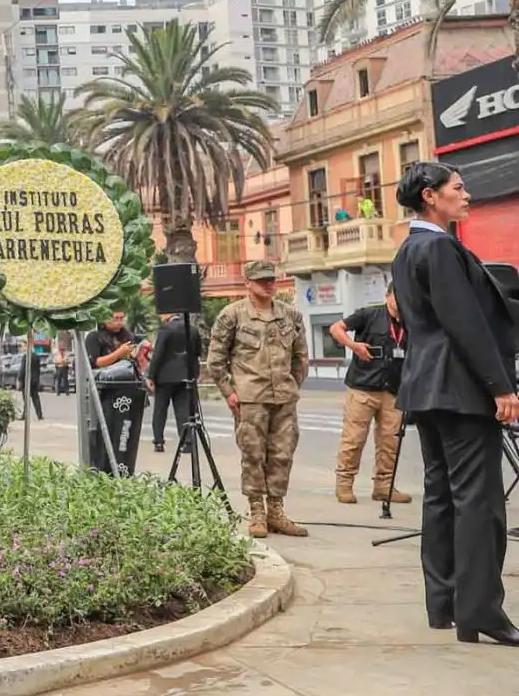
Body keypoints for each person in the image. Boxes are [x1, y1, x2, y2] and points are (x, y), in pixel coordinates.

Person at [389, 162, 519, 645]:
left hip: (425, 387)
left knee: (441, 497)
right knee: (479, 503)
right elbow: (465, 322)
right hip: (460, 388)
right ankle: (481, 611)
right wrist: (501, 386)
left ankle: (443, 604)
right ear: (430, 196)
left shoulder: (408, 249)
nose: (466, 196)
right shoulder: (440, 247)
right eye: (458, 188)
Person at [207, 261, 309, 540]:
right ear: (248, 283)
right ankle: (257, 512)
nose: (269, 284)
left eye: (272, 279)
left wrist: (292, 385)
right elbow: (215, 361)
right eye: (262, 280)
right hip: (250, 398)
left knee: (282, 454)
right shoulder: (232, 316)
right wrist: (230, 391)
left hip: (284, 399)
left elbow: (301, 357)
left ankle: (276, 511)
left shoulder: (291, 316)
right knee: (253, 455)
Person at [328, 291, 410, 506]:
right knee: (353, 439)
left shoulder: (411, 320)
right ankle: (344, 484)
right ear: (389, 295)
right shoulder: (369, 314)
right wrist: (354, 346)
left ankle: (384, 486)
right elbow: (336, 328)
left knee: (390, 442)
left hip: (393, 390)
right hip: (363, 388)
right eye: (398, 297)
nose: (402, 303)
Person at [146, 312, 204, 456]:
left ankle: (159, 441)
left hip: (165, 376)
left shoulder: (165, 330)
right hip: (185, 374)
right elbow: (197, 352)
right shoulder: (192, 329)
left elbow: (158, 354)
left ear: (168, 314)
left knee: (160, 409)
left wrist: (151, 376)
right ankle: (187, 442)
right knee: (183, 409)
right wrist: (196, 372)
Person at [85, 310, 141, 381]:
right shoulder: (94, 337)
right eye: (116, 319)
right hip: (105, 380)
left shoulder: (127, 336)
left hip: (128, 380)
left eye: (121, 318)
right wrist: (119, 353)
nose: (119, 322)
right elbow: (96, 362)